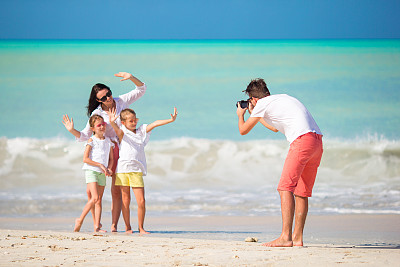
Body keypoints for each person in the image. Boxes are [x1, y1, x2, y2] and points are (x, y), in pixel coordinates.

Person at [236, 78, 323, 247]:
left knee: (285, 187)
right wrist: (256, 115)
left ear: (253, 99)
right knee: (301, 192)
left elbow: (243, 130)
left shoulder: (262, 104)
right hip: (317, 141)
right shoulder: (281, 98)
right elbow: (274, 128)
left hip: (302, 141)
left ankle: (285, 237)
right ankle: (297, 238)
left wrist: (241, 115)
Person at [62, 72, 146, 232]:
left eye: (109, 94)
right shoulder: (97, 114)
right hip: (106, 151)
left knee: (117, 190)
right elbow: (85, 135)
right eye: (103, 98)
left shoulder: (120, 101)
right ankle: (95, 224)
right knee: (98, 193)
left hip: (123, 151)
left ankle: (114, 226)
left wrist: (131, 77)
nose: (108, 98)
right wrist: (72, 130)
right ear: (98, 101)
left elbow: (141, 89)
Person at [107, 107, 178, 234]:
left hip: (136, 170)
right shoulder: (123, 132)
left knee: (141, 201)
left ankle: (141, 228)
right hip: (122, 170)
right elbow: (116, 129)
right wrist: (112, 122)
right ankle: (128, 227)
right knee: (125, 200)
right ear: (123, 123)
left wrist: (170, 120)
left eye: (135, 120)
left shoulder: (141, 131)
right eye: (131, 121)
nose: (134, 123)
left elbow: (155, 123)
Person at [73, 114, 114, 232]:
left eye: (103, 124)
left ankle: (97, 226)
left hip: (103, 173)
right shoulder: (91, 140)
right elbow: (85, 159)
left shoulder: (108, 141)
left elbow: (111, 159)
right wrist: (100, 165)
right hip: (92, 171)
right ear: (93, 128)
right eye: (98, 125)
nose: (102, 127)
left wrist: (110, 168)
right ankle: (80, 220)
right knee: (95, 197)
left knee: (99, 199)